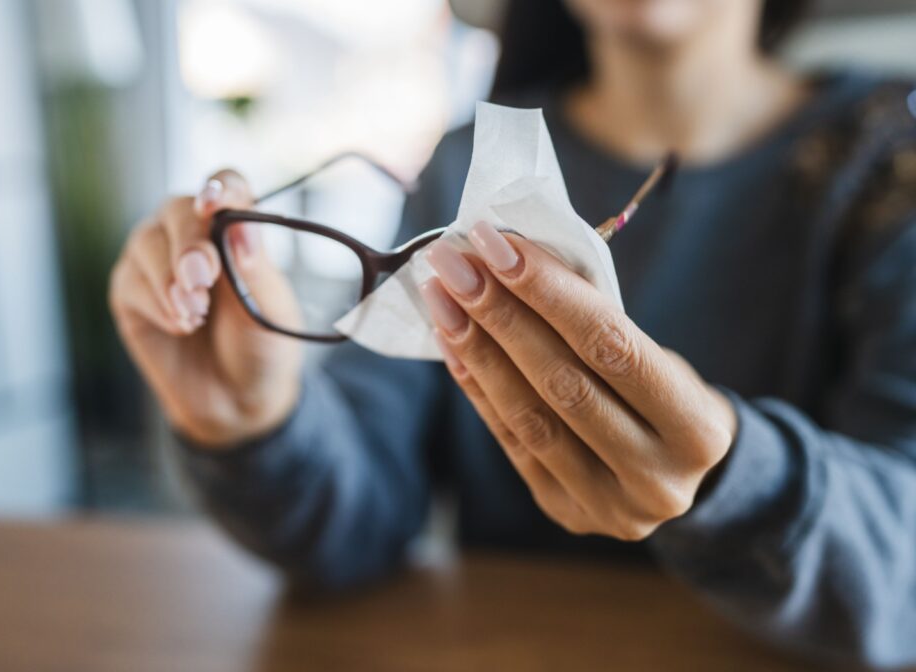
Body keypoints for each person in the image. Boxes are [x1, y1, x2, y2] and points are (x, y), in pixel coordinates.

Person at [108, 0, 916, 667]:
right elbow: (350, 528)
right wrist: (251, 421)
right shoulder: (463, 174)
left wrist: (739, 479)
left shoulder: (892, 167)